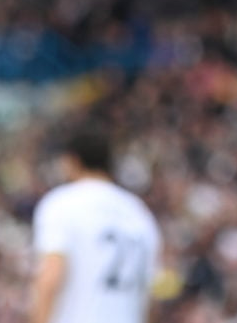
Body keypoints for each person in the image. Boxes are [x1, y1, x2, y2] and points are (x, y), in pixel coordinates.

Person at [30, 122, 162, 323]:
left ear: (72, 160)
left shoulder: (62, 203)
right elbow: (148, 295)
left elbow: (51, 276)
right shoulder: (139, 213)